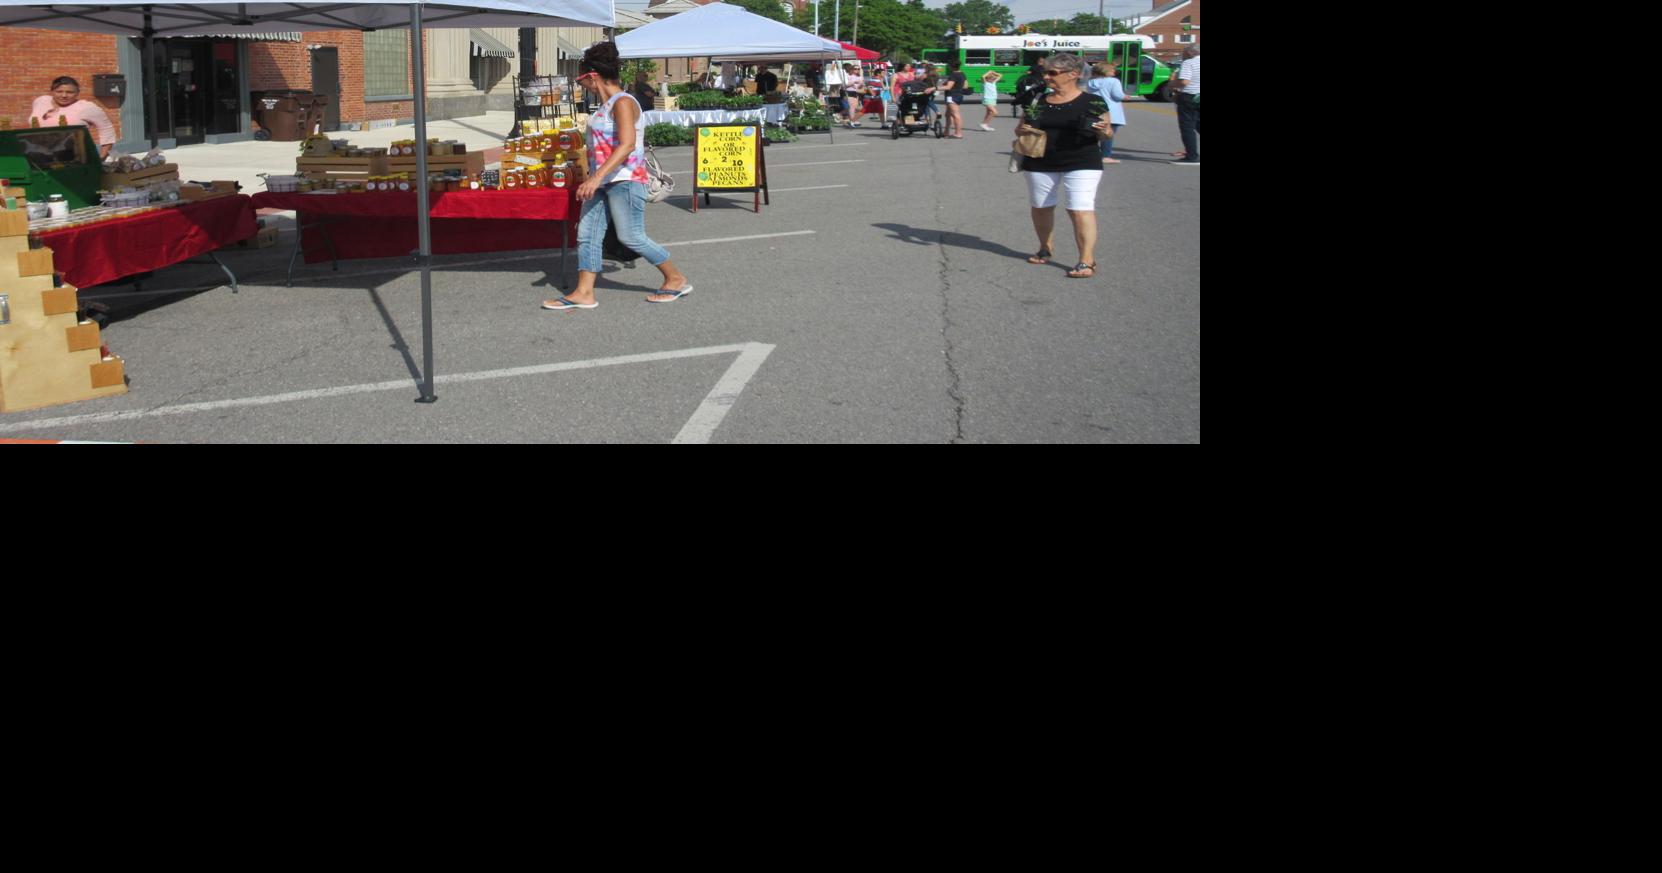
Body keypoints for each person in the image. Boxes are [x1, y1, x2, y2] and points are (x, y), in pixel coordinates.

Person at [543, 42, 692, 311]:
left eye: (580, 80)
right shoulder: (604, 106)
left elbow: (625, 144)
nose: (580, 85)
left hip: (625, 180)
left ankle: (676, 278)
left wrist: (595, 178)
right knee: (587, 236)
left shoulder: (623, 102)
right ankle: (584, 292)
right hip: (603, 181)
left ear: (592, 76)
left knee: (631, 236)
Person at [1015, 53, 1111, 280]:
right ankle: (1045, 247)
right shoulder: (1037, 100)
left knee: (1079, 208)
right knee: (1041, 206)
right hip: (1040, 159)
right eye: (1045, 72)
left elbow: (1107, 133)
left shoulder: (1092, 101)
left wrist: (1103, 130)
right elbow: (1020, 128)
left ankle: (1086, 260)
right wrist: (1024, 131)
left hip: (1082, 160)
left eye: (1052, 73)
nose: (1046, 77)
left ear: (1073, 75)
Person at [30, 77, 116, 159]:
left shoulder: (87, 107)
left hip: (74, 155)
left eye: (70, 92)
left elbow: (106, 128)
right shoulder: (41, 101)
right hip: (37, 153)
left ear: (77, 93)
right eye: (59, 91)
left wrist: (103, 155)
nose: (64, 95)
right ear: (52, 91)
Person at [1086, 61, 1126, 164]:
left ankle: (1091, 154)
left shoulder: (1091, 82)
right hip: (1111, 112)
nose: (1114, 71)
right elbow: (1117, 95)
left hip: (1095, 109)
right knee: (1108, 135)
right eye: (1112, 69)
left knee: (1095, 133)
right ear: (1106, 70)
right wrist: (1124, 96)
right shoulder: (1113, 81)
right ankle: (1105, 156)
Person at [1170, 44, 1200, 165]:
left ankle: (1192, 155)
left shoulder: (1189, 63)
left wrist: (1171, 84)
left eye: (1183, 52)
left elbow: (1184, 82)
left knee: (1187, 127)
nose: (1182, 55)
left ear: (1190, 53)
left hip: (1189, 96)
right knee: (1198, 123)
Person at [943, 61, 968, 138]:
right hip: (959, 95)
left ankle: (958, 133)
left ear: (951, 67)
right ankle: (946, 132)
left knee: (955, 114)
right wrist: (956, 85)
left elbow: (948, 87)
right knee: (948, 114)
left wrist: (935, 88)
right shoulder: (962, 74)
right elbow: (965, 86)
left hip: (951, 96)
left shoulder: (953, 75)